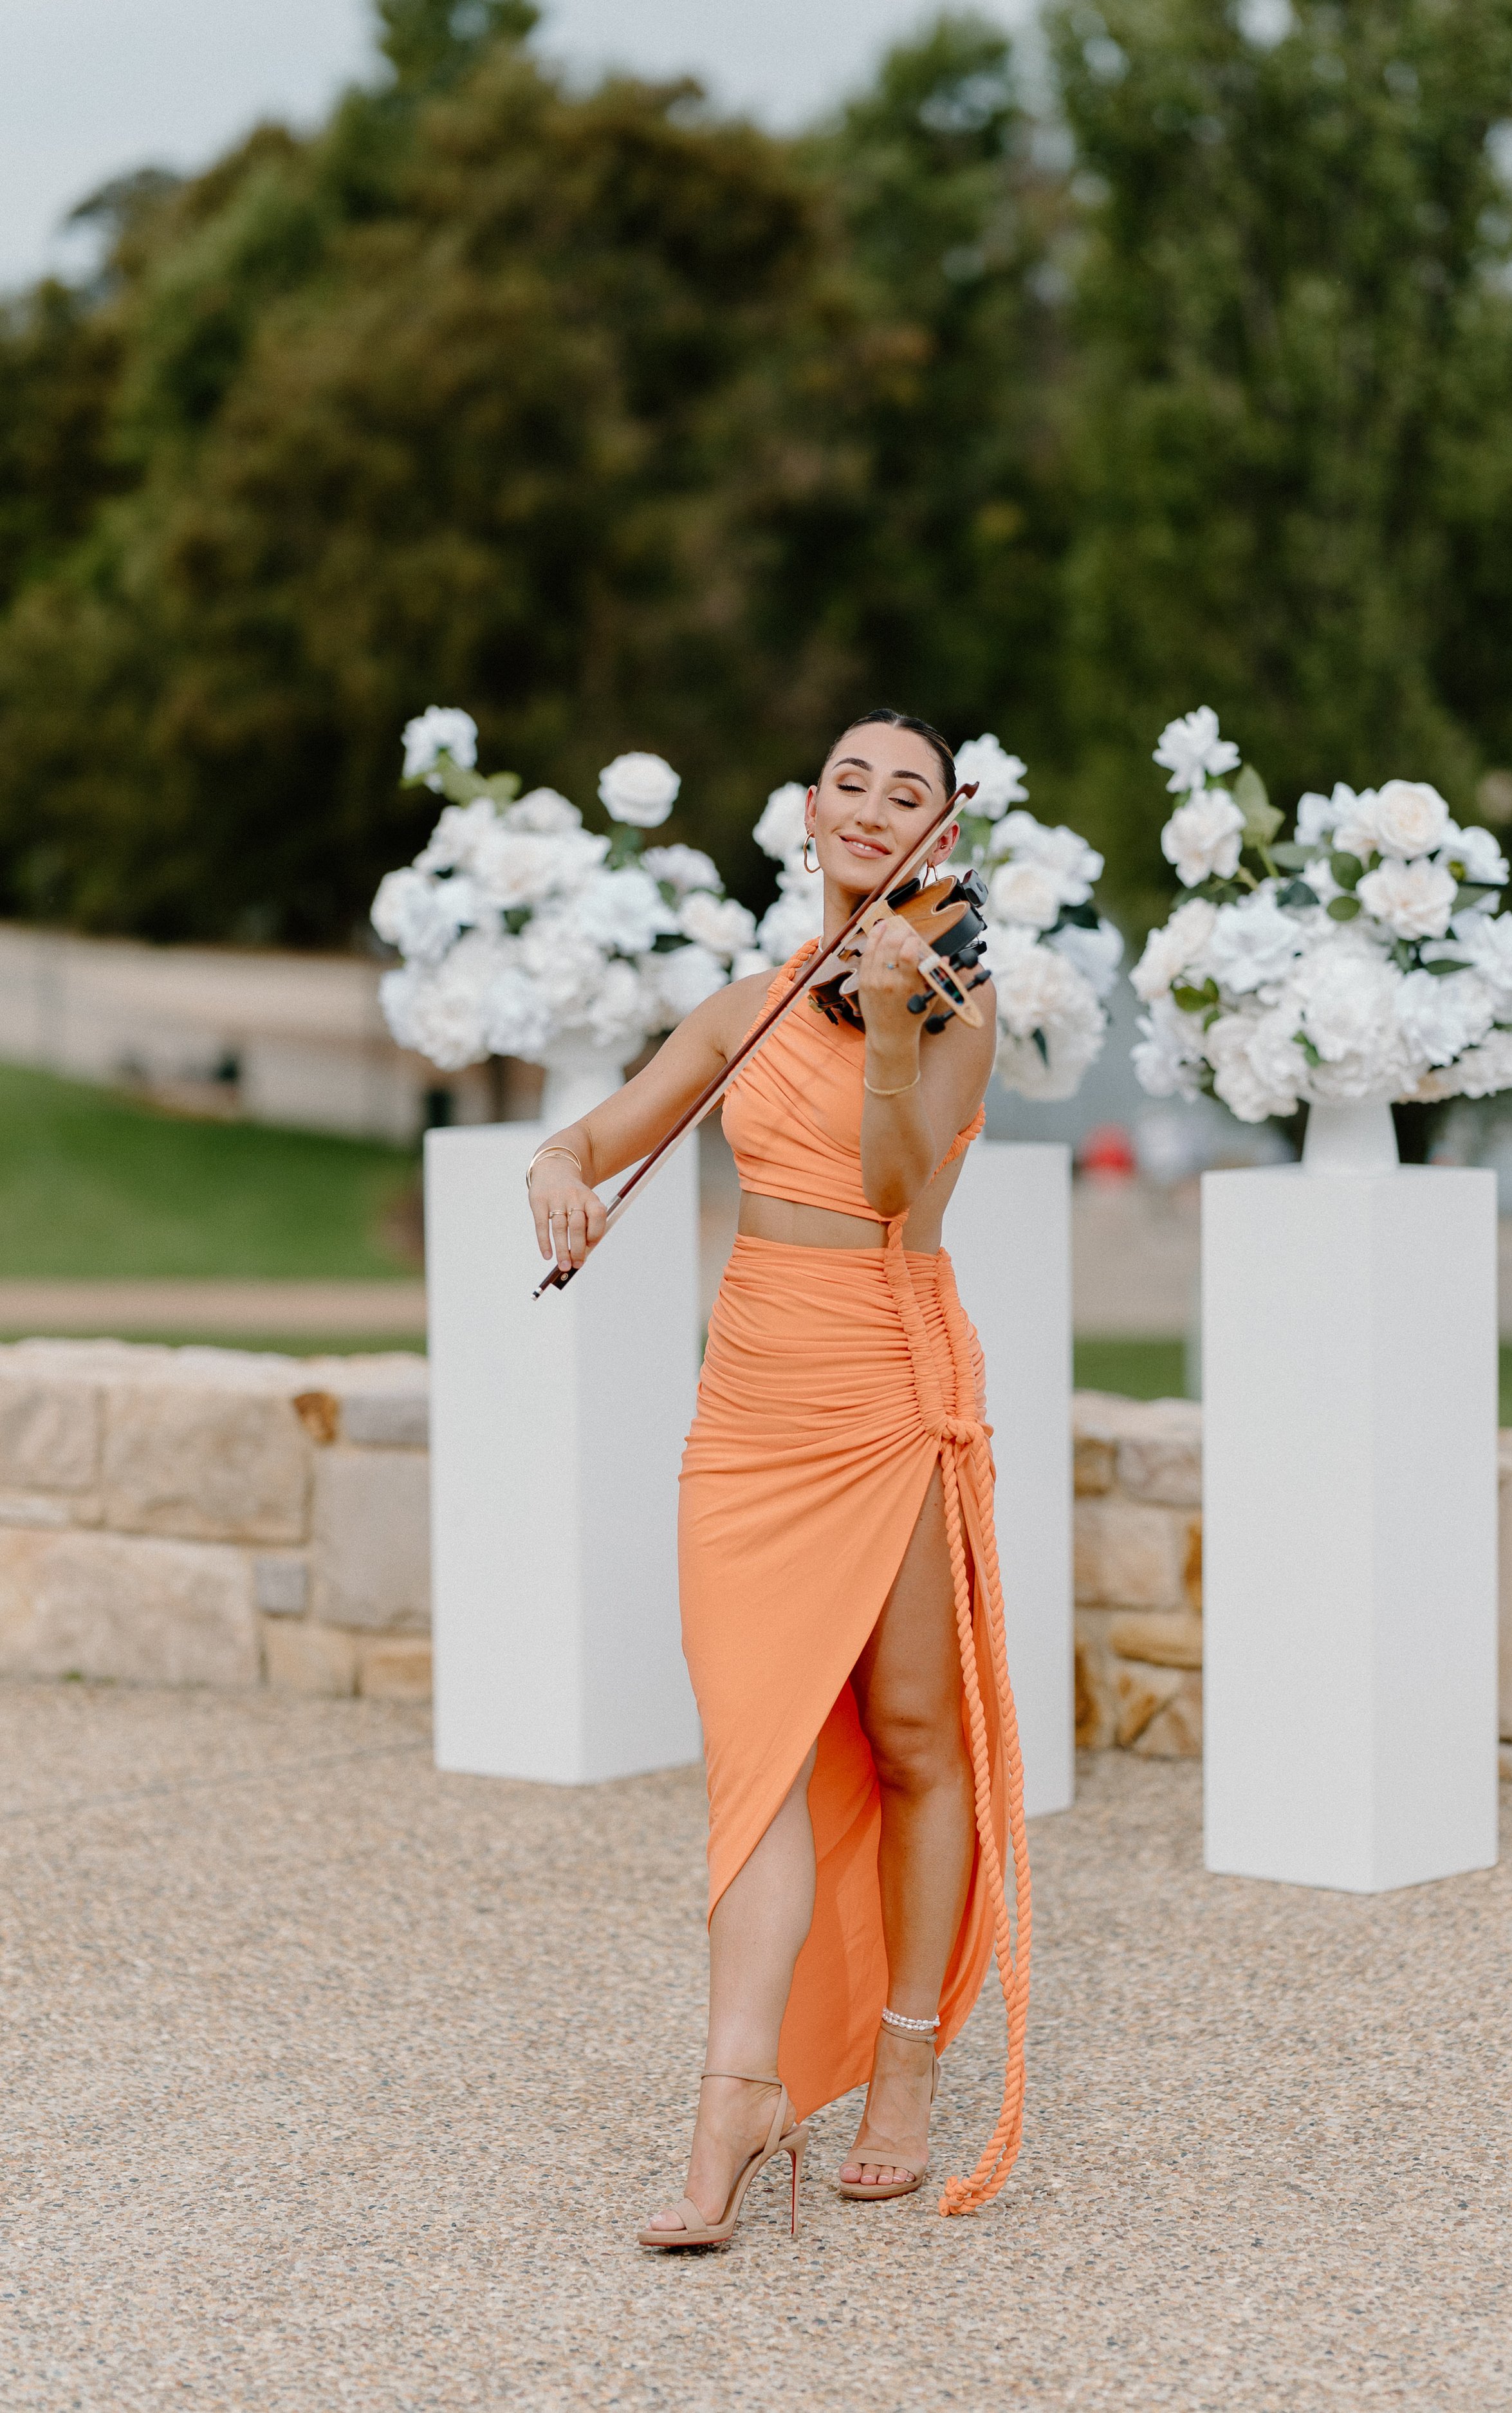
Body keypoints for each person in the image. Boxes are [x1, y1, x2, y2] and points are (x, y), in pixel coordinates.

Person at [526, 710, 1030, 2247]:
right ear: (807, 811)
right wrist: (558, 1167)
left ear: (940, 834)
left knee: (909, 1732)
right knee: (755, 1752)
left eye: (911, 793)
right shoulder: (743, 1003)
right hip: (748, 1402)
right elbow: (606, 1130)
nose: (875, 809)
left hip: (885, 1375)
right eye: (852, 783)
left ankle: (901, 2066)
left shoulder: (954, 1006)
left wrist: (886, 1028)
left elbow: (895, 1188)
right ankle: (736, 2090)